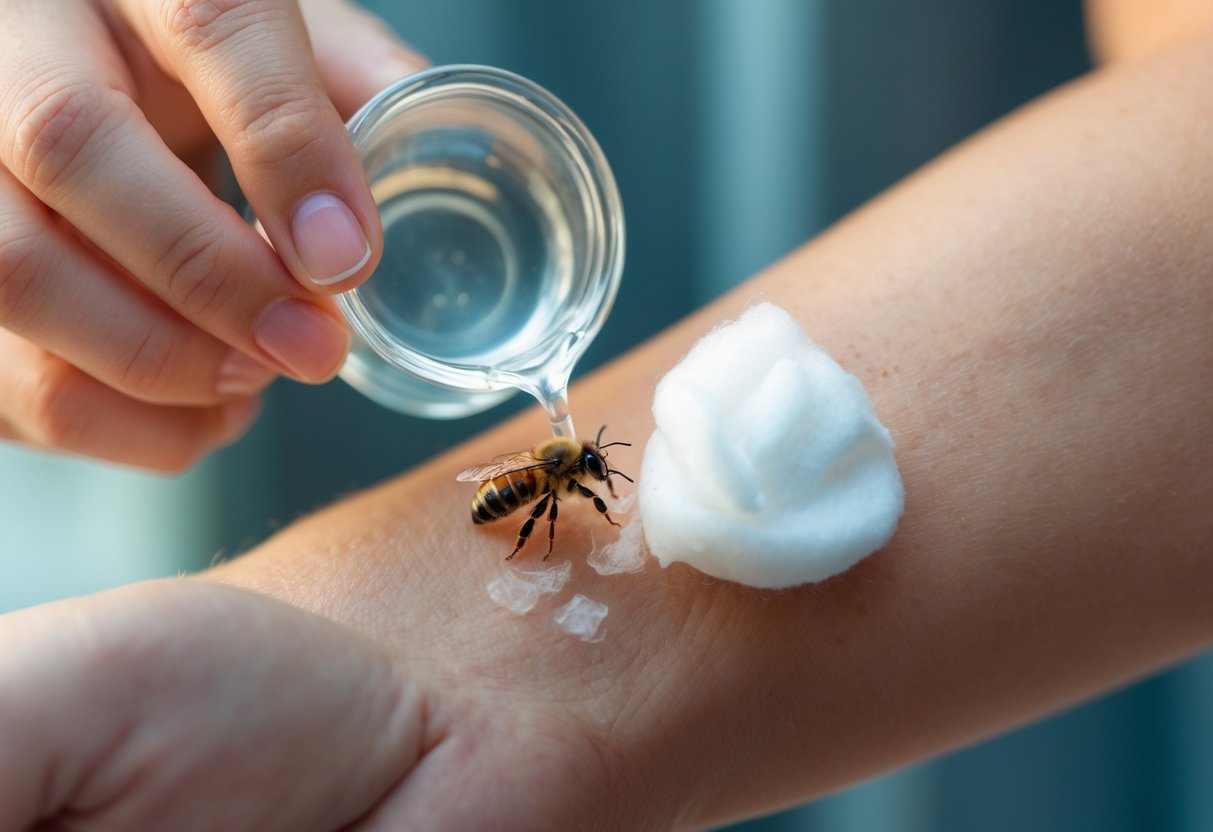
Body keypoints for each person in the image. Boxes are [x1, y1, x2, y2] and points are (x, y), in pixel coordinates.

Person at [1, 0, 1211, 829]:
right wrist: (63, 239)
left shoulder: (564, 482)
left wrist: (455, 668)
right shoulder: (553, 476)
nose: (580, 477)